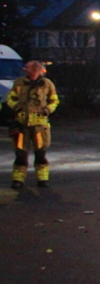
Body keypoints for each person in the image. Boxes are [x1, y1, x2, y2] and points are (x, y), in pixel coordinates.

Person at [5, 60, 59, 189]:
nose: (25, 69)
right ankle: (18, 179)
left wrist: (47, 110)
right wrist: (16, 107)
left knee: (40, 153)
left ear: (36, 69)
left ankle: (42, 178)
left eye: (28, 67)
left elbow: (54, 100)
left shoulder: (47, 84)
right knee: (21, 153)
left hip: (40, 125)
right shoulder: (19, 83)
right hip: (22, 124)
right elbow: (10, 98)